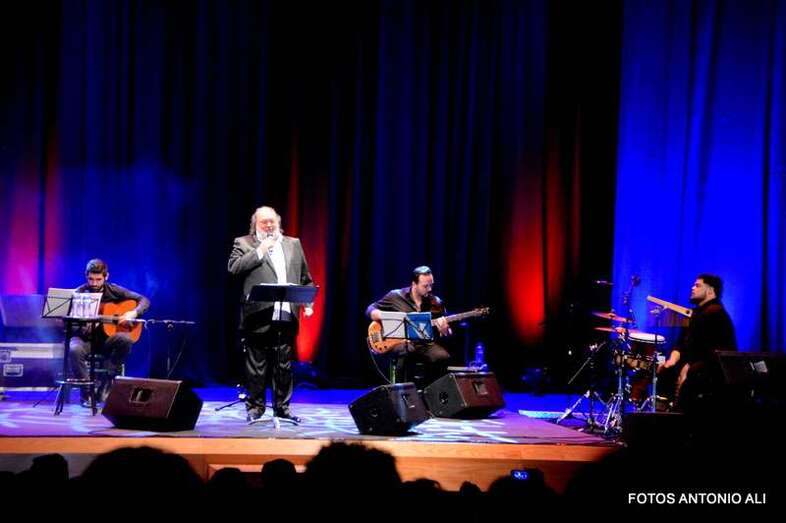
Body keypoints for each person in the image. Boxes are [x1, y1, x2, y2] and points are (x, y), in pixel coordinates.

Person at [228, 206, 314, 423]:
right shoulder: (244, 243)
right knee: (257, 365)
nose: (268, 225)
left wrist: (308, 302)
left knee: (283, 364)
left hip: (286, 312)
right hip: (257, 313)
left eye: (272, 221)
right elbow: (234, 268)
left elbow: (305, 277)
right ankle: (256, 407)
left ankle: (282, 408)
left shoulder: (293, 244)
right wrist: (260, 250)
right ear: (255, 224)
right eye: (263, 222)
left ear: (278, 222)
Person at [70, 259, 150, 407]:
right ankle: (87, 391)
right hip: (85, 340)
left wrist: (133, 313)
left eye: (98, 279)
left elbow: (144, 300)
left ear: (106, 277)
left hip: (107, 340)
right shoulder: (79, 293)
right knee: (74, 349)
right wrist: (82, 328)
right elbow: (69, 324)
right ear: (86, 276)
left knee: (125, 339)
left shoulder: (114, 290)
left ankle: (106, 382)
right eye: (90, 279)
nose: (94, 283)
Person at [657, 273, 737, 412]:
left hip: (710, 373)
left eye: (698, 285)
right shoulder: (696, 313)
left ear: (710, 290)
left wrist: (688, 368)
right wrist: (672, 360)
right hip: (697, 367)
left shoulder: (714, 313)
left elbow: (706, 352)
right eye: (693, 285)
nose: (693, 288)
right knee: (664, 372)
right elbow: (683, 342)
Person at [365, 266, 451, 388]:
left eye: (431, 285)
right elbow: (370, 309)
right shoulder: (395, 296)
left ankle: (430, 394)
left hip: (424, 344)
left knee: (443, 357)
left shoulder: (436, 302)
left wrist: (445, 330)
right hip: (399, 342)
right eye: (425, 286)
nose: (430, 289)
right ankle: (401, 392)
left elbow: (448, 332)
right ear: (414, 284)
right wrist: (383, 315)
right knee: (407, 350)